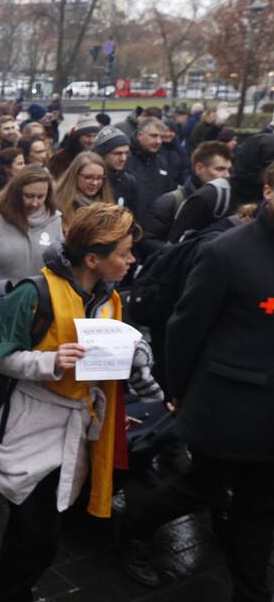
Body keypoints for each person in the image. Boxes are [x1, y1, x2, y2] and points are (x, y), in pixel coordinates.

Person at [0, 203, 145, 601]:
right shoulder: (35, 292)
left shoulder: (108, 298)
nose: (131, 261)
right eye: (124, 253)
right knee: (38, 535)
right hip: (28, 427)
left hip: (76, 428)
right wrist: (49, 361)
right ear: (92, 259)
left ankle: (13, 590)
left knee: (33, 531)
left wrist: (135, 356)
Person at [119, 179, 274, 600]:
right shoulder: (226, 252)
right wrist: (181, 392)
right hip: (225, 409)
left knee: (257, 509)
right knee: (199, 487)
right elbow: (184, 328)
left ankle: (250, 591)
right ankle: (133, 529)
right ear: (266, 190)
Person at [0, 167, 63, 317]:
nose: (35, 203)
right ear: (16, 193)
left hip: (36, 313)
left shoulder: (55, 220)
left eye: (41, 197)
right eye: (29, 196)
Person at [142, 141, 233, 251]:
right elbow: (147, 242)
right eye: (220, 169)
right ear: (199, 168)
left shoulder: (227, 203)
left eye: (229, 170)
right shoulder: (170, 202)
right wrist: (179, 252)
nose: (227, 175)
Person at [125, 117, 174, 223]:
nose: (158, 141)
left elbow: (168, 193)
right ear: (139, 135)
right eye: (154, 136)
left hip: (155, 228)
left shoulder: (162, 162)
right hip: (131, 225)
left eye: (161, 137)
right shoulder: (125, 160)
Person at [55, 152, 114, 231]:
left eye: (99, 178)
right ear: (75, 175)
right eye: (88, 177)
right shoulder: (59, 203)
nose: (94, 183)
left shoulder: (107, 203)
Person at [92, 125, 138, 212]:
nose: (123, 158)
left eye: (126, 153)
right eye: (117, 153)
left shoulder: (128, 182)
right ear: (102, 153)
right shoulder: (90, 180)